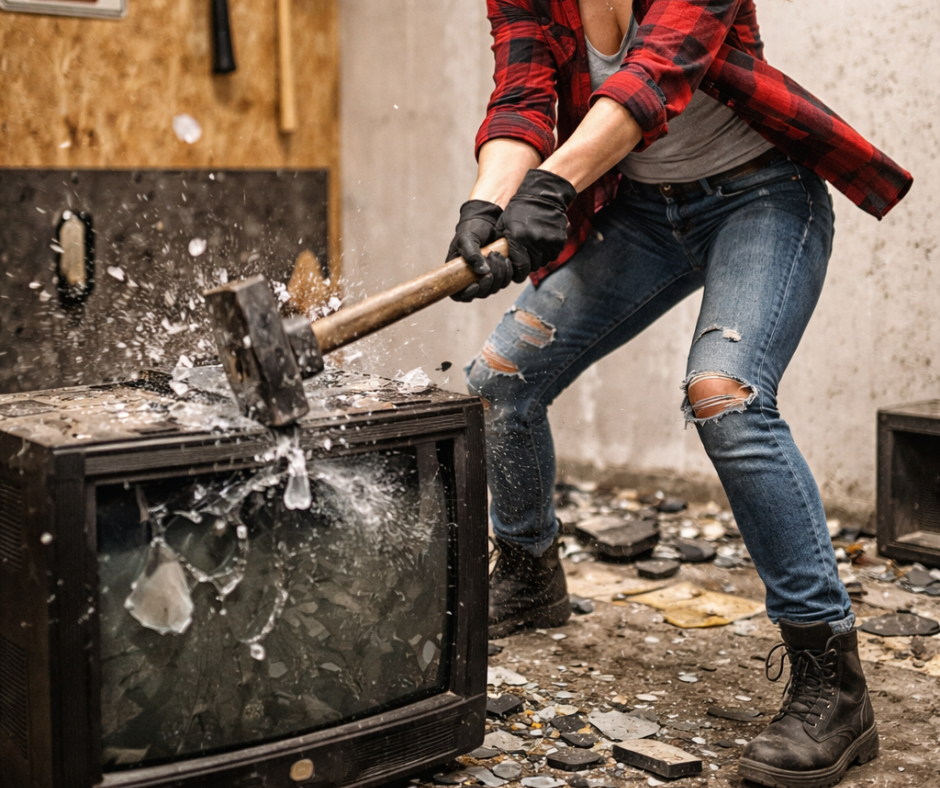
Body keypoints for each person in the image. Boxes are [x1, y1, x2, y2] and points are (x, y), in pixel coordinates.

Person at [445, 1, 912, 786]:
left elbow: (648, 81)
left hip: (761, 195)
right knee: (500, 382)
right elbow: (522, 96)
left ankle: (833, 682)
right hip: (640, 213)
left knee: (724, 394)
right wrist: (488, 202)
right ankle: (529, 573)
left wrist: (550, 185)